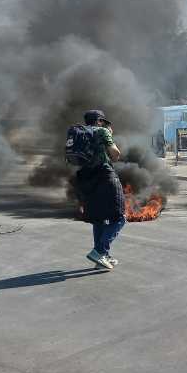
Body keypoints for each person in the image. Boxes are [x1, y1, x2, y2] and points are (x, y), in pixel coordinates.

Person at [75, 110, 125, 270]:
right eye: (103, 122)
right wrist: (109, 135)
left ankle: (102, 258)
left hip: (86, 179)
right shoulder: (102, 131)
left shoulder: (80, 133)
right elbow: (115, 154)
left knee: (99, 219)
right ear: (99, 121)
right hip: (104, 176)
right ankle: (99, 251)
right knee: (119, 217)